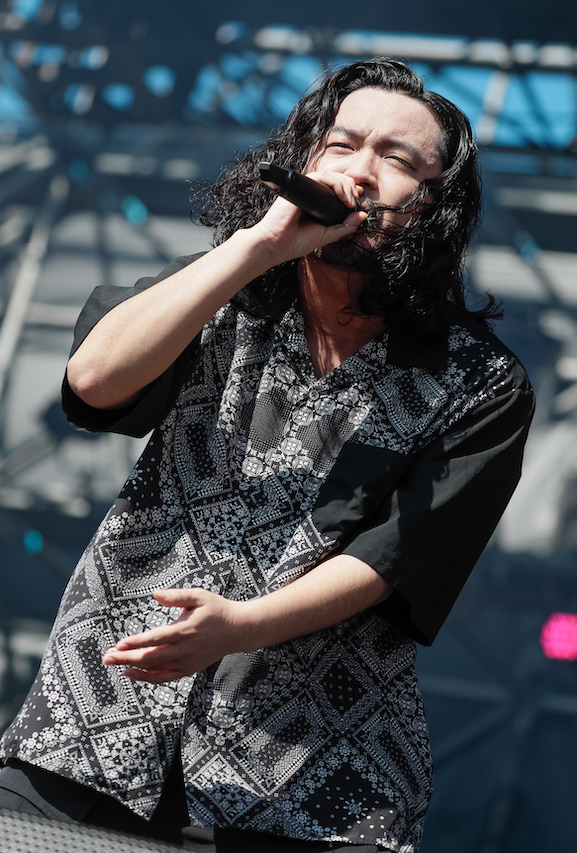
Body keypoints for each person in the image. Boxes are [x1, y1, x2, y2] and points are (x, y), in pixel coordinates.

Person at [0, 59, 534, 852]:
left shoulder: (479, 382)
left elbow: (395, 560)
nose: (359, 171)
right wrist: (256, 247)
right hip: (90, 734)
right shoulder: (217, 293)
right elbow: (94, 382)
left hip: (308, 786)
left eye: (394, 158)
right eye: (341, 145)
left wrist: (241, 628)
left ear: (433, 205)